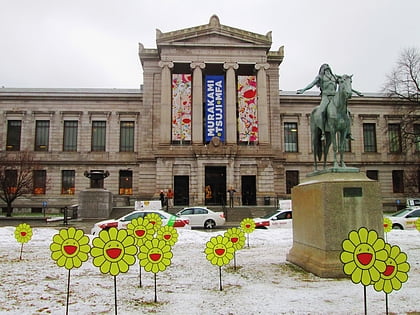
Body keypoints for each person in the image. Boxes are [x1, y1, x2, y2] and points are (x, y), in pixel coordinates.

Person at [297, 64, 360, 141]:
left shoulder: (334, 77)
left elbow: (345, 85)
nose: (327, 70)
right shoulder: (320, 77)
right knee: (321, 111)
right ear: (322, 70)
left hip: (334, 97)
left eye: (328, 69)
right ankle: (323, 132)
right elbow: (312, 84)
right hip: (326, 97)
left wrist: (356, 92)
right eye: (325, 69)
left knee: (348, 112)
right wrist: (304, 90)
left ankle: (348, 133)